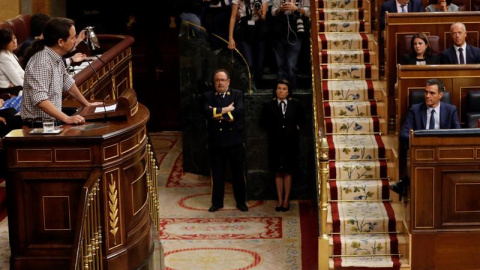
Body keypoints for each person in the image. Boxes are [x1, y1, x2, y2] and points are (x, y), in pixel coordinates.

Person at [20, 17, 102, 127]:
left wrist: (87, 104)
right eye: (73, 38)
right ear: (60, 42)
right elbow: (40, 99)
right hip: (38, 127)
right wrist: (67, 118)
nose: (75, 41)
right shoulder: (41, 62)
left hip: (51, 123)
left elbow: (68, 83)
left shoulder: (55, 57)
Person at [390, 78, 460, 195]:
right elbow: (403, 133)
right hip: (421, 150)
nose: (427, 96)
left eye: (432, 93)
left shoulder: (451, 110)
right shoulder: (415, 109)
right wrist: (420, 141)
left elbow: (458, 134)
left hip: (443, 151)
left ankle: (406, 183)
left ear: (440, 95)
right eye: (426, 92)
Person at [203, 69, 248, 212]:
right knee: (217, 174)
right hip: (216, 142)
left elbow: (239, 111)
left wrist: (219, 114)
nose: (220, 83)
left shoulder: (237, 94)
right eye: (217, 80)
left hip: (234, 141)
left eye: (222, 80)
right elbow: (206, 111)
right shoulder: (208, 95)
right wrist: (227, 109)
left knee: (238, 174)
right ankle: (217, 203)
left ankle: (241, 202)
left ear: (228, 81)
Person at [260, 79, 305, 211]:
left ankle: (286, 200)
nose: (281, 91)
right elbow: (262, 123)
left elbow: (303, 120)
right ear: (275, 90)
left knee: (288, 171)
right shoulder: (268, 104)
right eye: (279, 88)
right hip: (275, 143)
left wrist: (295, 127)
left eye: (284, 89)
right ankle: (279, 200)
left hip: (291, 143)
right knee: (278, 172)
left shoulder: (295, 104)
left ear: (288, 91)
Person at [228, 0, 268, 88]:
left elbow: (264, 17)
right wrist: (231, 38)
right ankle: (249, 85)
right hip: (244, 30)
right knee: (249, 63)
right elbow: (233, 17)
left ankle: (257, 86)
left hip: (259, 30)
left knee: (260, 63)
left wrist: (258, 12)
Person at [271, 0, 310, 90]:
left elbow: (309, 13)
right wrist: (280, 9)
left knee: (291, 65)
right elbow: (273, 12)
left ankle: (291, 91)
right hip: (280, 33)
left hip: (296, 32)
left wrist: (296, 9)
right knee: (280, 66)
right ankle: (280, 92)